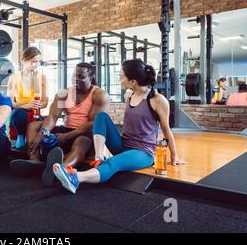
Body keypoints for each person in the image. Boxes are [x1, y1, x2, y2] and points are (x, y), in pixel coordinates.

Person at [53, 59, 182, 194]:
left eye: (121, 77)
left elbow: (166, 129)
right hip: (122, 145)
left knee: (113, 162)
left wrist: (174, 156)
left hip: (143, 153)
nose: (119, 79)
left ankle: (76, 178)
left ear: (133, 81)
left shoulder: (158, 100)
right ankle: (98, 157)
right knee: (101, 117)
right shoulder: (129, 95)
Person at [10, 62, 109, 187]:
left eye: (81, 77)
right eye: (74, 76)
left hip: (85, 134)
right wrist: (42, 134)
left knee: (80, 144)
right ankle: (34, 161)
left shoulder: (99, 95)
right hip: (66, 129)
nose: (76, 80)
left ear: (90, 78)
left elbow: (93, 123)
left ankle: (60, 170)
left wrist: (67, 136)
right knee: (34, 126)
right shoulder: (65, 94)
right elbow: (53, 117)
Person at [7, 47, 48, 148]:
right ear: (24, 60)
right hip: (20, 112)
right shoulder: (14, 78)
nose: (36, 64)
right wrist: (26, 106)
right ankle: (20, 136)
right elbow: (10, 102)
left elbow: (45, 102)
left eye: (39, 61)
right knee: (19, 115)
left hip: (35, 112)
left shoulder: (43, 77)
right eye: (33, 61)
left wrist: (36, 105)